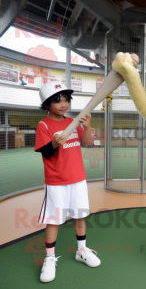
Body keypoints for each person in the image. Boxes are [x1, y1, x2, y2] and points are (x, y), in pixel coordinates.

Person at [34, 81, 100, 283]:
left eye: (66, 100)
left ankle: (81, 250)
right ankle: (50, 258)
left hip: (78, 179)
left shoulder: (73, 122)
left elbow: (87, 143)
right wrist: (54, 143)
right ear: (47, 104)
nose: (63, 104)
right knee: (53, 220)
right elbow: (45, 152)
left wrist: (87, 127)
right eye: (57, 100)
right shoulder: (43, 125)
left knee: (80, 217)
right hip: (56, 182)